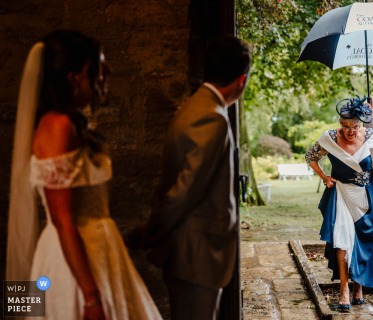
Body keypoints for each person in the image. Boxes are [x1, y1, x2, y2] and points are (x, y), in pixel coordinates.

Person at [6, 29, 162, 319]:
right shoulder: (57, 127)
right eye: (97, 66)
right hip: (75, 260)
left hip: (99, 250)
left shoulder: (70, 123)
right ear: (73, 78)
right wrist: (91, 297)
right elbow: (63, 220)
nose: (108, 71)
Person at [127, 36, 250, 320]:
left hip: (188, 250)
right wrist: (150, 232)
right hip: (197, 254)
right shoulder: (212, 117)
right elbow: (184, 190)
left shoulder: (194, 106)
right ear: (241, 80)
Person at [305, 96, 373, 312]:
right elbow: (310, 156)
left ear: (362, 122)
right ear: (340, 123)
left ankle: (359, 286)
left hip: (365, 197)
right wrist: (324, 177)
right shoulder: (329, 138)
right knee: (341, 240)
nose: (350, 131)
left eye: (355, 126)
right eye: (346, 126)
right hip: (340, 193)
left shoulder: (372, 137)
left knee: (363, 241)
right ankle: (344, 288)